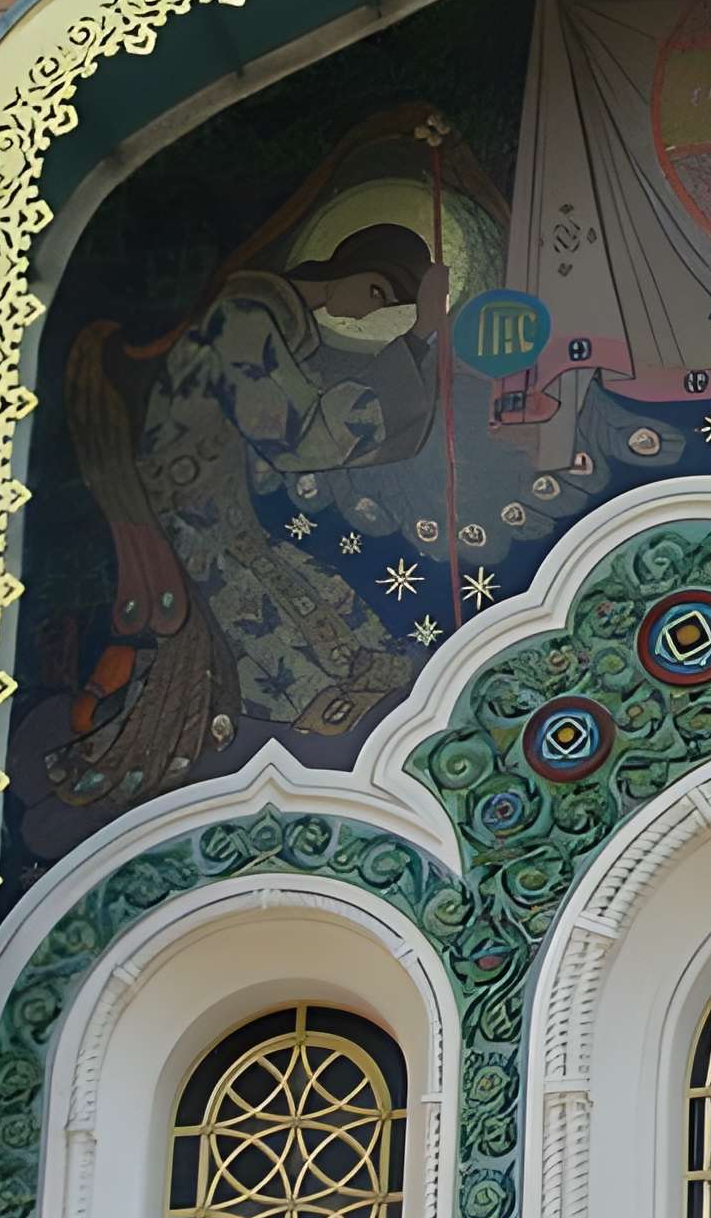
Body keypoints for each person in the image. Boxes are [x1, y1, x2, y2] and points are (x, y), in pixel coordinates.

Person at [44, 220, 448, 814]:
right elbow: (300, 438)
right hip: (194, 517)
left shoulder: (272, 322)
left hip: (223, 512)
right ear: (348, 267)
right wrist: (417, 339)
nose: (370, 314)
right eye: (377, 293)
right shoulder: (242, 317)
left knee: (305, 608)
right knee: (254, 622)